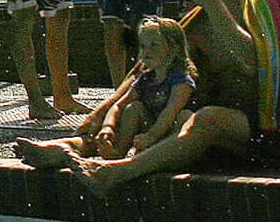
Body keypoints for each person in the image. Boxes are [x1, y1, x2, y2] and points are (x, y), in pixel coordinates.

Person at [16, 0, 280, 193]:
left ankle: (116, 173)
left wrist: (214, 8)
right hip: (233, 134)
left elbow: (255, 61)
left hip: (278, 134)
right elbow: (150, 69)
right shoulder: (201, 16)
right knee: (140, 107)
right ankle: (74, 147)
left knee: (205, 118)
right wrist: (105, 113)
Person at [71, 15, 194, 163]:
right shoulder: (146, 78)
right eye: (143, 46)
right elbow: (118, 105)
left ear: (173, 50)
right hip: (152, 128)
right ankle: (117, 151)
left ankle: (169, 154)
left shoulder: (181, 81)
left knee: (185, 117)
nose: (146, 51)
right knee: (133, 108)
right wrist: (108, 127)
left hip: (169, 131)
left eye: (154, 45)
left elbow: (170, 112)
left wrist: (152, 136)